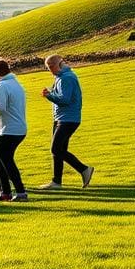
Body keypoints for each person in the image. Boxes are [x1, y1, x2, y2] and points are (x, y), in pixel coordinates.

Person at [39, 54, 95, 189]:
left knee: (56, 148)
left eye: (50, 67)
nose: (49, 70)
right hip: (61, 118)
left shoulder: (67, 78)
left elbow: (65, 100)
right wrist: (51, 92)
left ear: (57, 64)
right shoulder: (61, 77)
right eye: (48, 68)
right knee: (58, 150)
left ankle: (84, 169)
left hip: (68, 119)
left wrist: (49, 96)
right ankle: (56, 181)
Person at [0, 58, 29, 201]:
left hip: (8, 129)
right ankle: (6, 192)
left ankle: (20, 192)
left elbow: (0, 108)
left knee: (4, 159)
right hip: (18, 128)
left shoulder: (2, 86)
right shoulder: (16, 84)